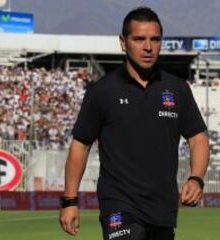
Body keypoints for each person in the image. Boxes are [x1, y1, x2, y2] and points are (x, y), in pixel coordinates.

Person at [59, 6, 209, 240]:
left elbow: (198, 138)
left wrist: (196, 177)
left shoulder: (177, 89)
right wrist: (70, 200)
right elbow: (80, 145)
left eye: (155, 39)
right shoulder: (102, 91)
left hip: (163, 208)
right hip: (118, 204)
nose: (148, 47)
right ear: (123, 42)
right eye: (139, 39)